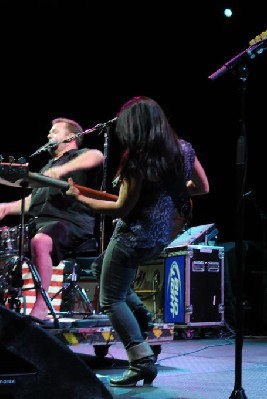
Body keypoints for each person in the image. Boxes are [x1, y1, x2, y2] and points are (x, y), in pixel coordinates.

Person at [65, 96, 209, 387]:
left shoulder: (138, 159)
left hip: (132, 237)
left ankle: (141, 361)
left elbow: (120, 209)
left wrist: (80, 199)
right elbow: (202, 188)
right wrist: (168, 195)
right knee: (98, 266)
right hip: (159, 237)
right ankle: (141, 316)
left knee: (111, 300)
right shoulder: (183, 149)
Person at [0, 117, 104, 321]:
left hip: (71, 222)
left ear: (70, 136)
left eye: (55, 131)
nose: (49, 135)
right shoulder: (48, 166)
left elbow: (97, 155)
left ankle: (41, 306)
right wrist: (6, 208)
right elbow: (33, 201)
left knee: (41, 241)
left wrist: (61, 170)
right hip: (41, 222)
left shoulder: (81, 156)